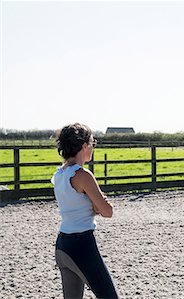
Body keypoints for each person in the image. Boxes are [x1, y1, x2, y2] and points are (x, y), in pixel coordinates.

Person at [51, 123, 119, 299]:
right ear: (84, 146)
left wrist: (95, 204)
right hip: (82, 245)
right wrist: (98, 204)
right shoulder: (83, 175)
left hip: (62, 245)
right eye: (92, 143)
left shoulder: (59, 174)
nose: (93, 147)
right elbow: (107, 211)